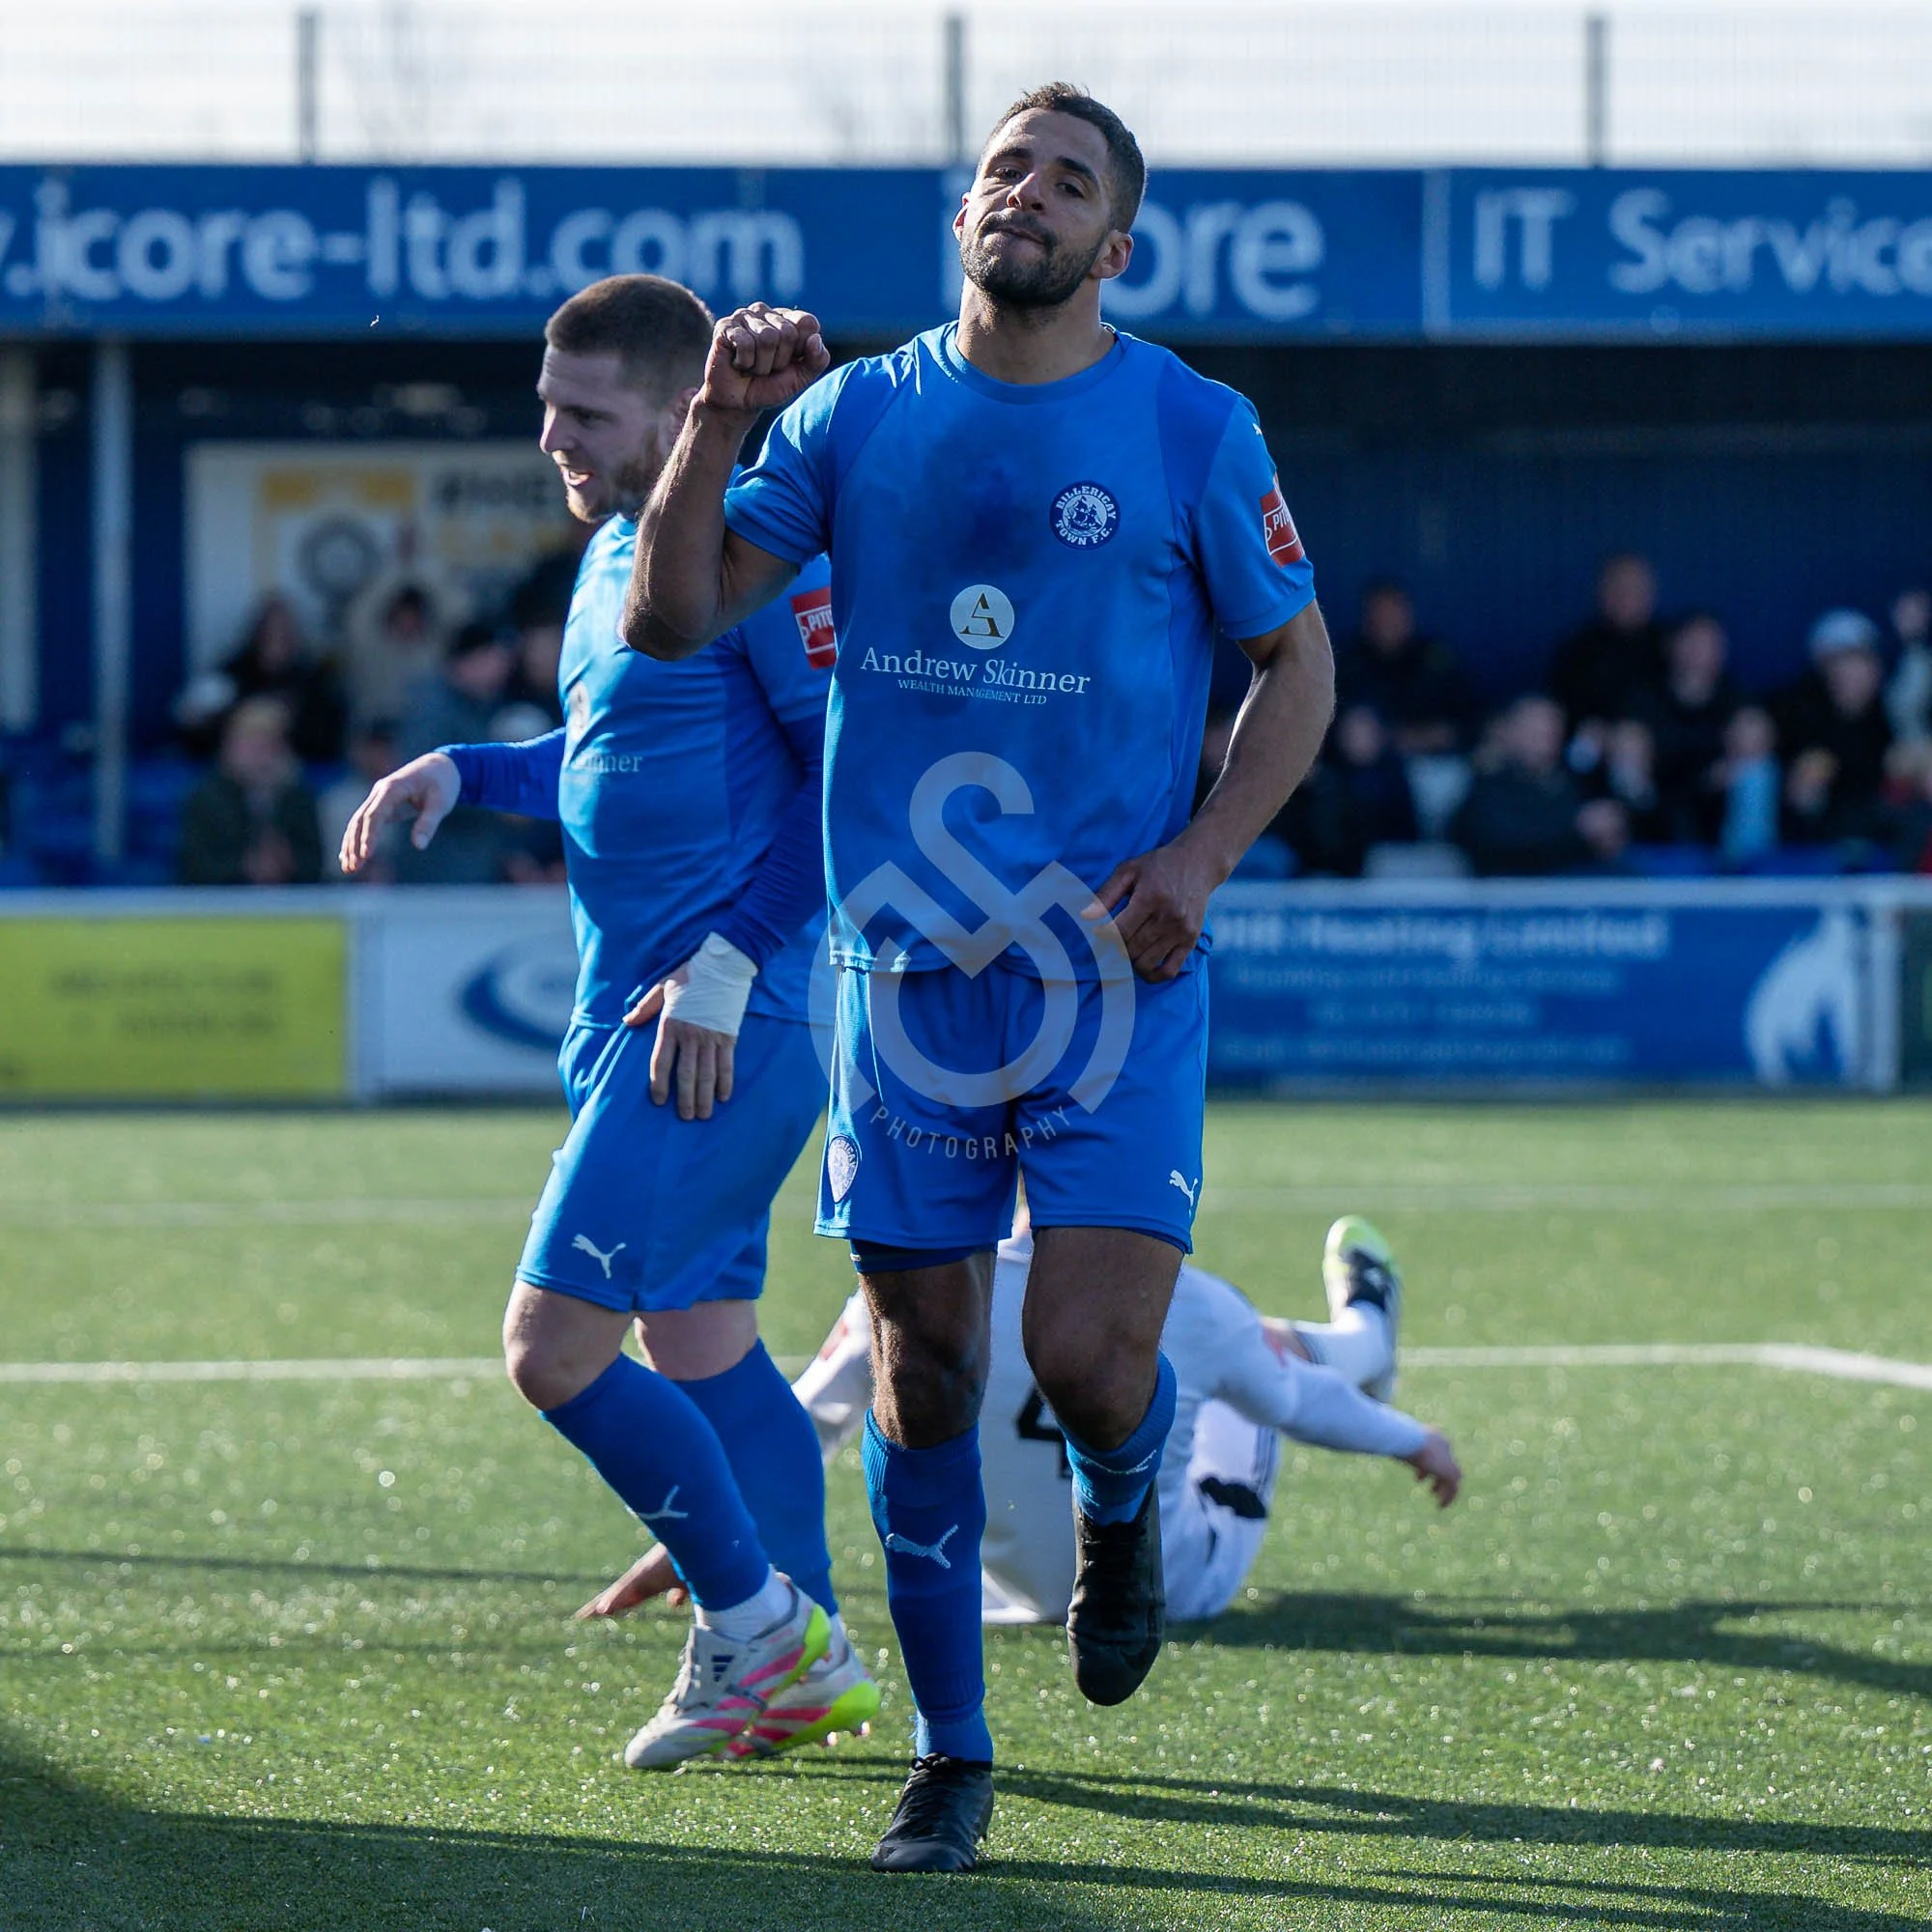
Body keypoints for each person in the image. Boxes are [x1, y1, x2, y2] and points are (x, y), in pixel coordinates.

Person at [626, 83, 1336, 1871]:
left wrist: (1198, 856)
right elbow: (672, 614)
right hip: (904, 982)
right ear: (966, 210)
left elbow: (1299, 667)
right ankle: (953, 1751)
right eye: (1006, 165)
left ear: (1119, 242)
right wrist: (712, 418)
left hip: (1109, 977)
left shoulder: (1191, 423)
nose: (1029, 191)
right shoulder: (856, 412)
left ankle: (1121, 1501)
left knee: (1089, 1362)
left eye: (1070, 177)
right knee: (926, 1370)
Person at [339, 273, 876, 1772]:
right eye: (545, 408)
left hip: (716, 1022)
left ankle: (759, 1633)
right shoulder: (608, 562)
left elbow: (841, 780)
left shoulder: (754, 542)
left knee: (550, 1351)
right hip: (629, 1021)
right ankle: (801, 1654)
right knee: (704, 1345)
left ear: (672, 407)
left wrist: (727, 963)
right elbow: (610, 746)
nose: (554, 438)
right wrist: (465, 767)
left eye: (585, 413)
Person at [582, 1211, 1461, 1646]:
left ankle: (1361, 1336)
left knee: (1231, 1344)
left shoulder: (909, 1291)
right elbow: (1298, 1407)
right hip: (1176, 1588)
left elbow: (810, 1419)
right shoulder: (1187, 1302)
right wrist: (1414, 1438)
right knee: (1252, 1356)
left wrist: (707, 1541)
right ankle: (1366, 1333)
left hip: (1003, 1594)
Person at [1451, 695, 1628, 876]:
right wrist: (1577, 829)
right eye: (1534, 728)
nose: (1546, 735)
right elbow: (1496, 842)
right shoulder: (1489, 784)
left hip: (1581, 887)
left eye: (1552, 726)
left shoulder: (1574, 780)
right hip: (1514, 892)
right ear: (1511, 731)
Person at [174, 595, 348, 766]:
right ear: (257, 634)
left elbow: (329, 740)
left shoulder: (312, 680)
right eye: (270, 632)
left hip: (292, 774)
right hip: (234, 772)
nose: (277, 640)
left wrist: (288, 724)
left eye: (284, 633)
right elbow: (193, 731)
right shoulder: (229, 677)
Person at [1773, 609, 1895, 849]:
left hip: (1880, 816)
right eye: (1840, 662)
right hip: (1820, 825)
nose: (1852, 671)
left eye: (1861, 659)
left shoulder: (1890, 712)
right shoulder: (1797, 711)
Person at [177, 696, 323, 886]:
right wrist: (244, 868)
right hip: (222, 906)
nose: (259, 755)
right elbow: (194, 866)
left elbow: (314, 863)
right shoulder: (206, 798)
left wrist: (288, 864)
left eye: (268, 744)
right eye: (251, 743)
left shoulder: (297, 799)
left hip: (289, 905)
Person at [1626, 611, 1744, 844]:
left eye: (1710, 643)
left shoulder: (1735, 698)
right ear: (1672, 646)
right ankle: (1630, 848)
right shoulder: (1645, 697)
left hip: (1717, 799)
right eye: (1694, 642)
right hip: (1656, 796)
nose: (1701, 652)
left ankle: (1749, 856)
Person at [1332, 581, 1475, 756]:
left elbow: (1467, 717)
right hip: (1372, 769)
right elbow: (1344, 727)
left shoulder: (1434, 658)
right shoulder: (1350, 662)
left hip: (1439, 763)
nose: (1389, 621)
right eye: (1381, 614)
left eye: (1395, 612)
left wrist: (1423, 736)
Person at [1548, 553, 1666, 738]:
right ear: (1600, 592)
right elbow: (1561, 711)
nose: (1626, 598)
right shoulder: (1577, 650)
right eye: (1617, 589)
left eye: (1635, 589)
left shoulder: (1673, 646)